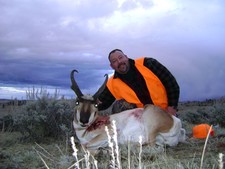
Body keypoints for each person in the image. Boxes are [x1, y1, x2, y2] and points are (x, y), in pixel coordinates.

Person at [98, 49, 180, 116]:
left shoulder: (148, 63)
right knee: (120, 105)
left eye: (121, 57)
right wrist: (87, 104)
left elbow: (171, 84)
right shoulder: (111, 84)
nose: (119, 62)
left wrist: (171, 109)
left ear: (126, 57)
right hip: (141, 119)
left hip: (165, 112)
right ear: (112, 66)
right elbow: (100, 103)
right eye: (114, 61)